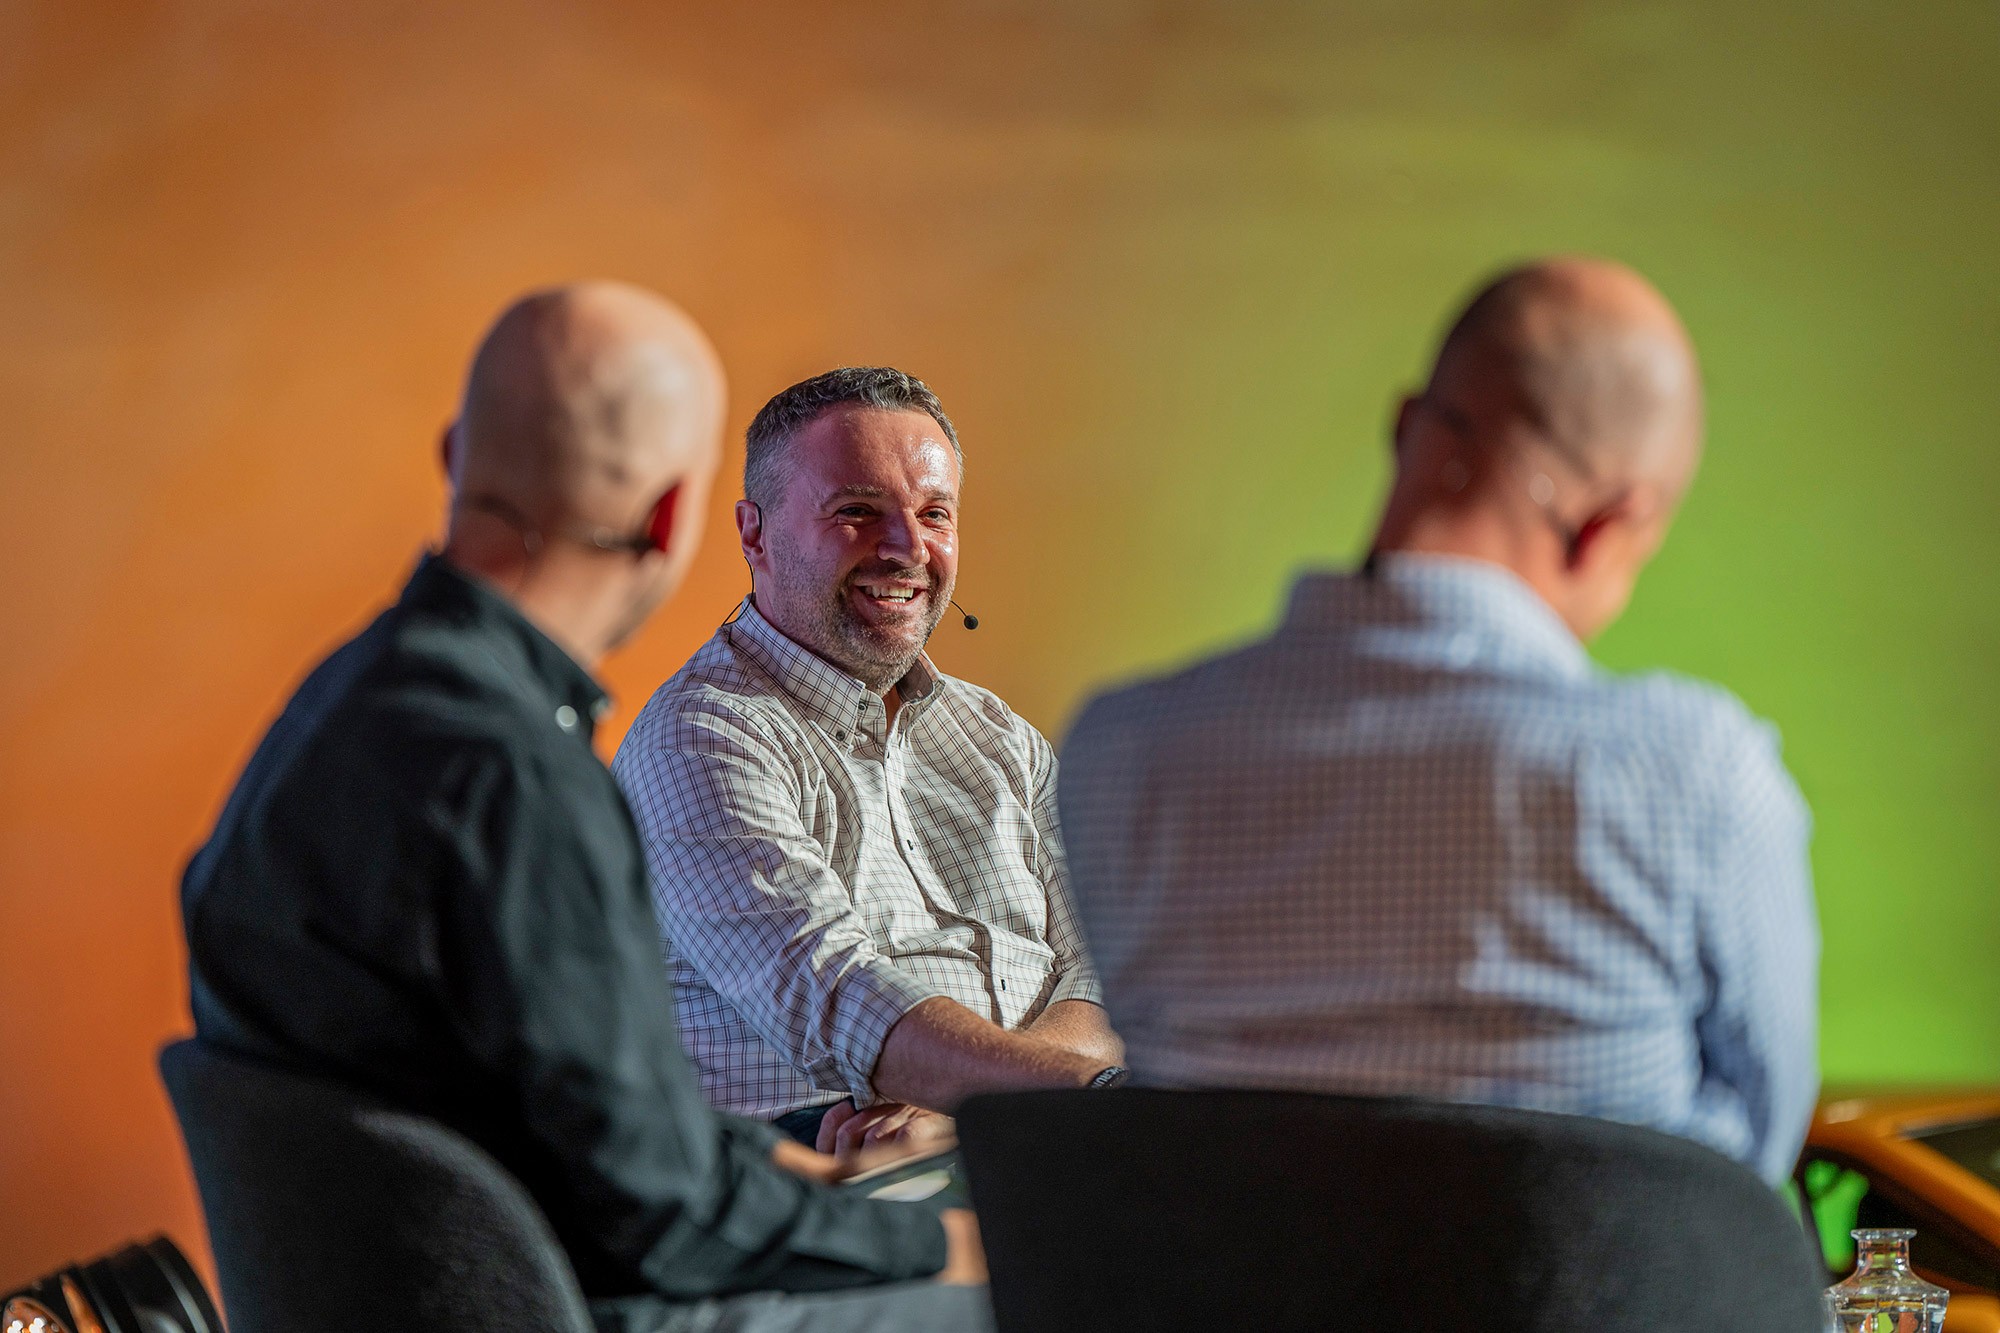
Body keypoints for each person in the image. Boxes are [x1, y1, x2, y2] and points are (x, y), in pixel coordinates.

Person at [180, 285, 992, 1332]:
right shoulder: (510, 777)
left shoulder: (344, 710)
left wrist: (805, 1167)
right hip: (600, 1305)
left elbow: (597, 1123)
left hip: (497, 1277)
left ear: (452, 457)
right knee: (1082, 1289)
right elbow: (662, 1217)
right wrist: (946, 1242)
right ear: (672, 518)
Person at [1058, 258, 1819, 1184]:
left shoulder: (1119, 751)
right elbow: (1751, 1162)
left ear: (1405, 427)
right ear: (1608, 529)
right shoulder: (1693, 769)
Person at [614, 367, 1124, 1155]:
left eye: (934, 513)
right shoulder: (701, 736)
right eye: (858, 511)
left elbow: (1106, 964)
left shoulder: (999, 737)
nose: (908, 548)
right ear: (755, 534)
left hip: (1012, 1150)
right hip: (823, 1176)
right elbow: (845, 1004)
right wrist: (1089, 1102)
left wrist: (981, 1111)